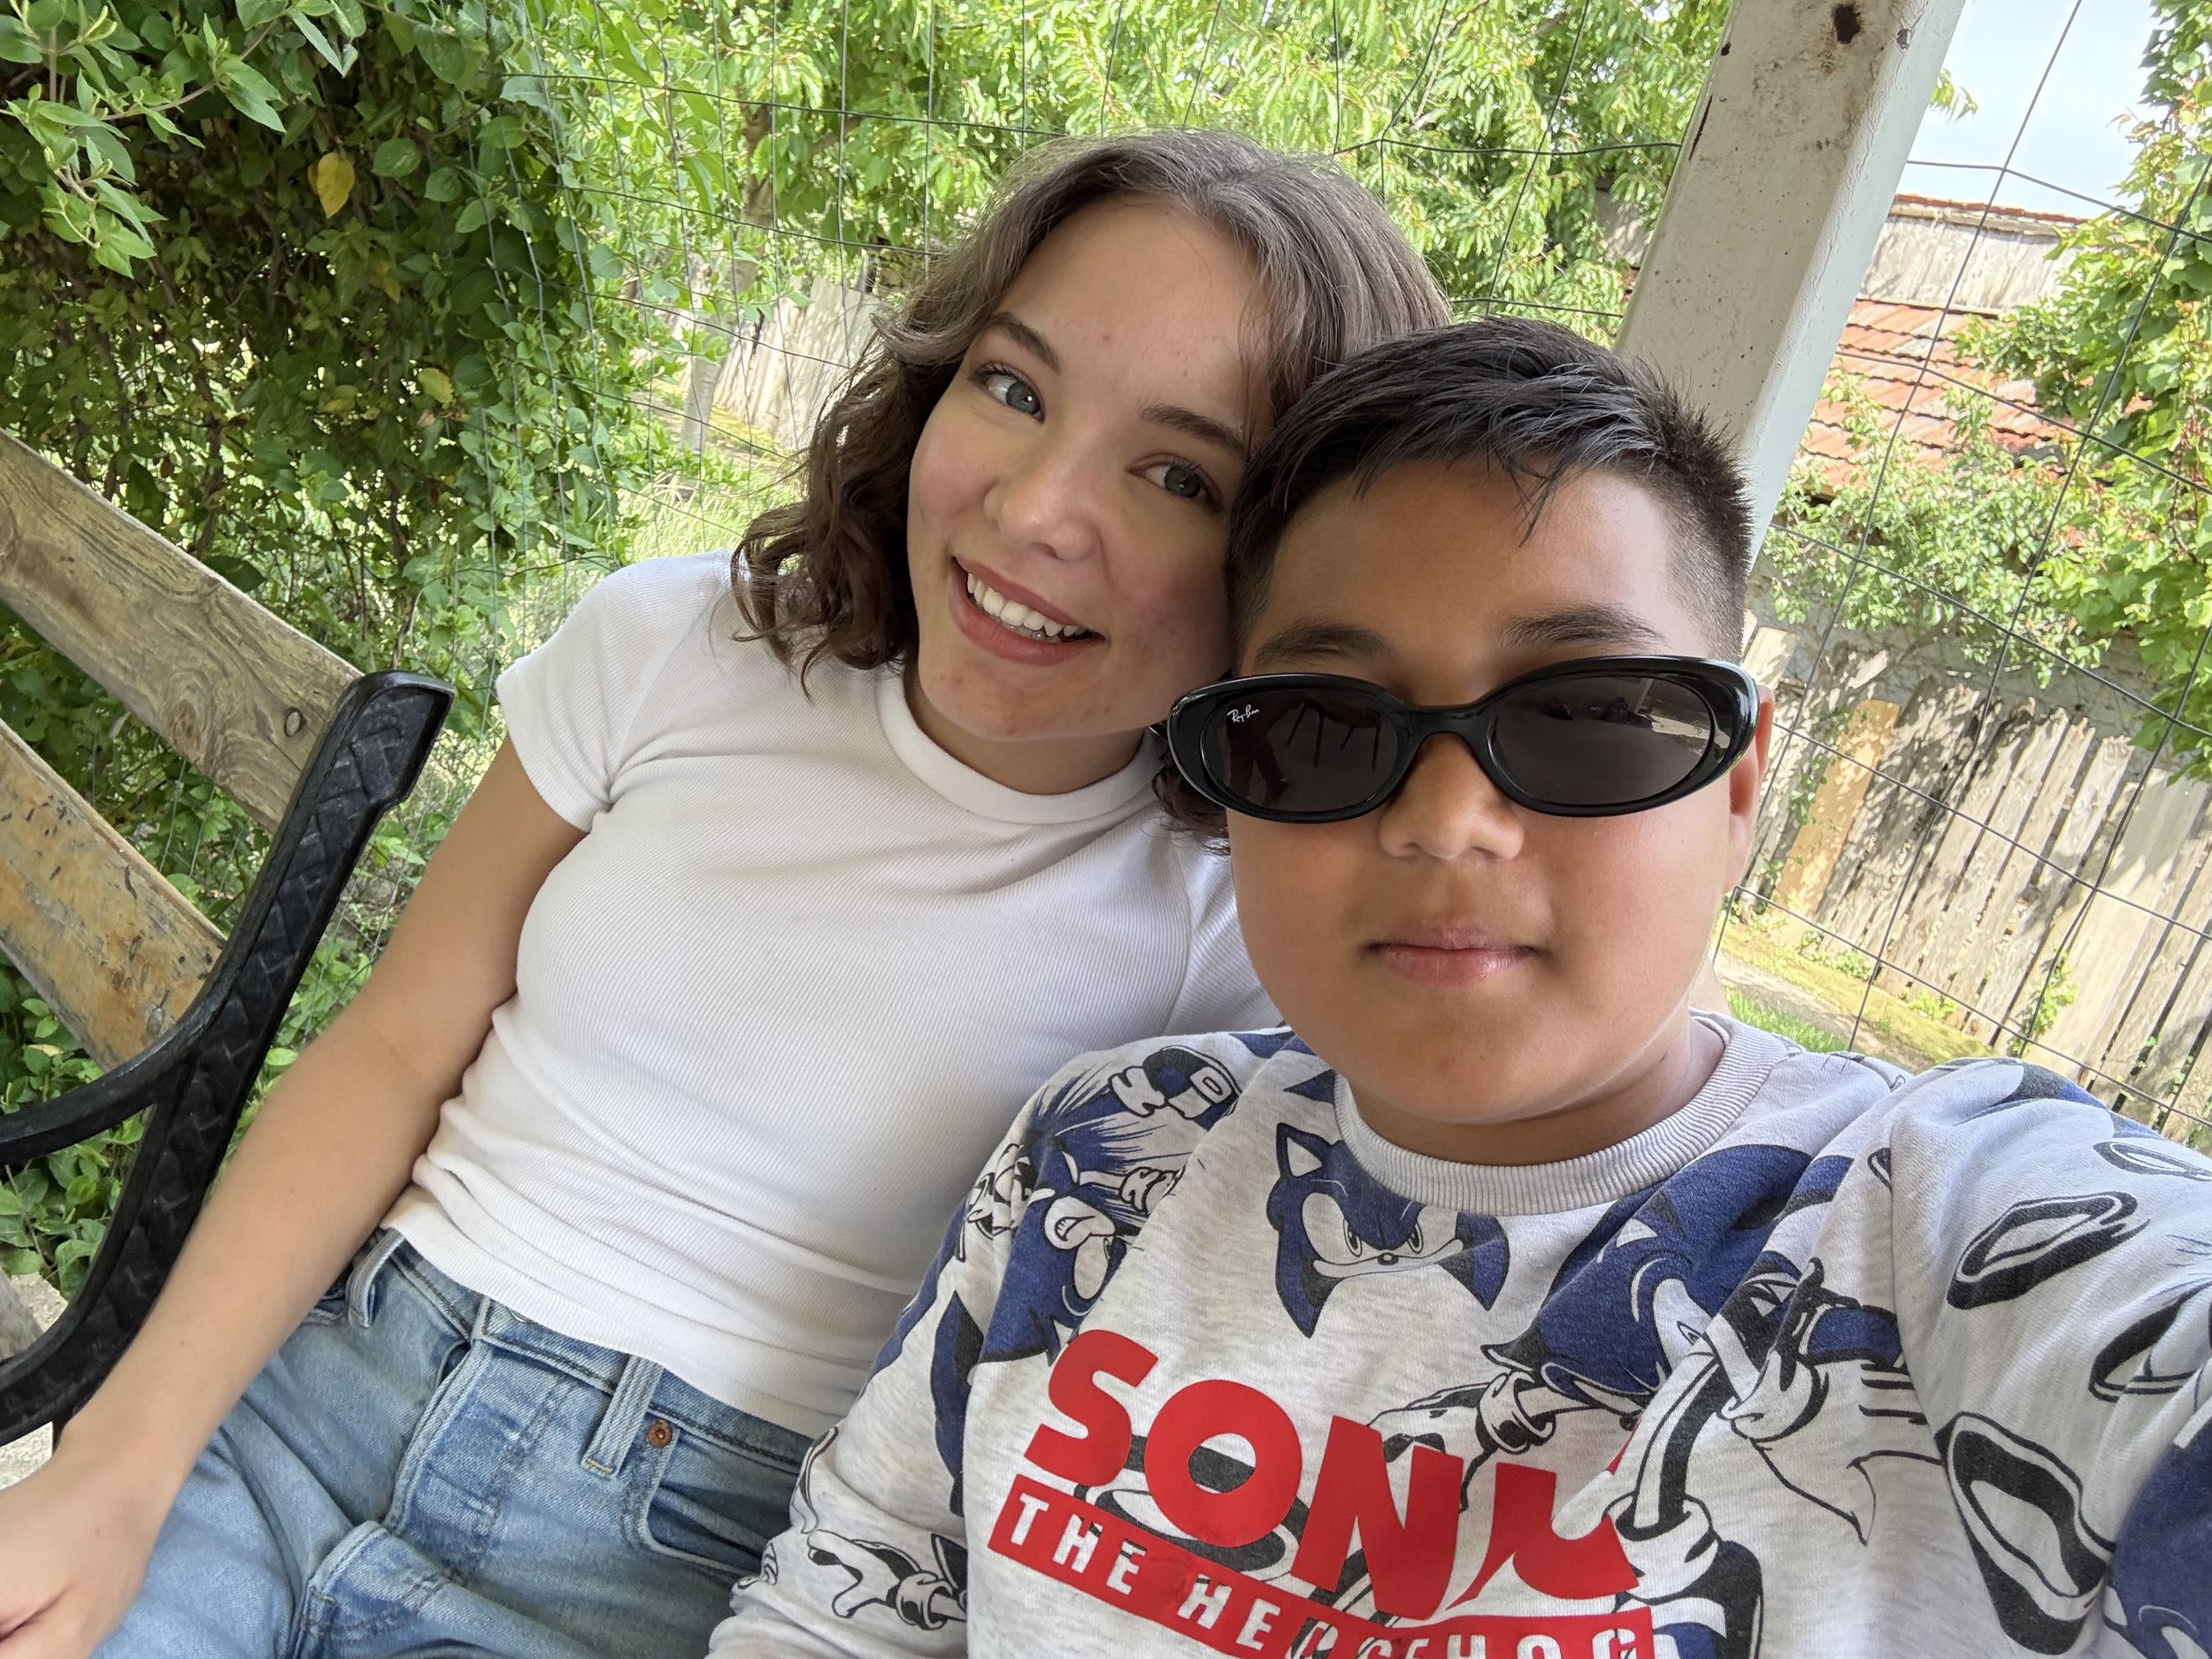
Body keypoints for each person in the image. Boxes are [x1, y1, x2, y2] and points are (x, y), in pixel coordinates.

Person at [0, 132, 1450, 1659]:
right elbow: (391, 1050)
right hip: (294, 1415)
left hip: (670, 1571)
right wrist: (113, 1468)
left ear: (1294, 562)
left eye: (1178, 474)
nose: (1033, 510)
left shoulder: (1233, 930)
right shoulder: (682, 650)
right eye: (1012, 388)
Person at [711, 319, 2212, 1659]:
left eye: (1583, 716)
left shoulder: (1939, 1228)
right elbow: (840, 1611)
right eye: (1321, 723)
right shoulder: (1110, 1153)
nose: (1443, 820)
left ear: (1742, 786)